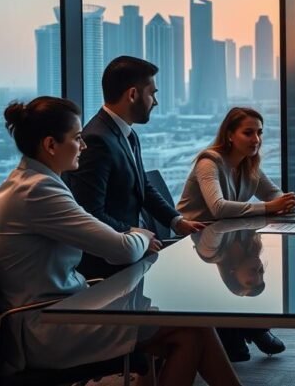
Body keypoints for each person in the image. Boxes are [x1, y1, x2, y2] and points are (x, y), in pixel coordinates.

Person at [0, 97, 242, 386]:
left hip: (62, 310)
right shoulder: (38, 191)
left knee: (190, 327)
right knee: (191, 330)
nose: (83, 146)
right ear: (50, 145)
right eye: (77, 138)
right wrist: (141, 235)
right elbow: (120, 250)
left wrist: (130, 238)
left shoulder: (30, 181)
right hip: (48, 327)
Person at [176, 106, 295, 361]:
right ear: (230, 135)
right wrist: (269, 207)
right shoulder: (209, 162)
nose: (256, 139)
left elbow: (273, 194)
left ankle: (246, 332)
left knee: (237, 350)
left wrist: (286, 202)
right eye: (249, 133)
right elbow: (218, 208)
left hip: (221, 231)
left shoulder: (248, 163)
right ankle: (251, 331)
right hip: (189, 241)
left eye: (259, 133)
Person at [66, 56, 204, 279]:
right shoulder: (97, 140)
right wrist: (136, 237)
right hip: (109, 264)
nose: (155, 102)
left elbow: (142, 186)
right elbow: (91, 212)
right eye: (152, 94)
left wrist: (177, 221)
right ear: (132, 95)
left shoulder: (126, 133)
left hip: (133, 252)